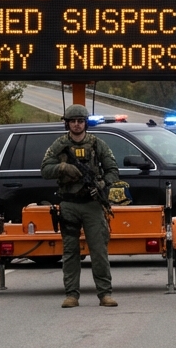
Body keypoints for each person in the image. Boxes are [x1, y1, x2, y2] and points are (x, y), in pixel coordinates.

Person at [40, 104, 120, 308]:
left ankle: (105, 294)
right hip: (68, 204)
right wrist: (63, 167)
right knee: (70, 252)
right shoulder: (59, 145)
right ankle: (71, 295)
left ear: (86, 123)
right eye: (73, 121)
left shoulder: (97, 144)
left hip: (92, 204)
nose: (76, 125)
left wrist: (101, 184)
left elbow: (112, 170)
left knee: (99, 251)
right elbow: (45, 169)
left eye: (80, 121)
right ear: (67, 123)